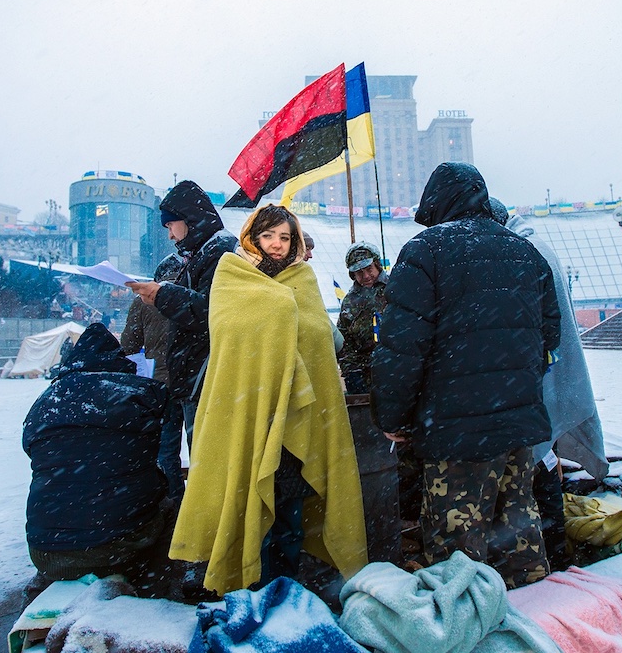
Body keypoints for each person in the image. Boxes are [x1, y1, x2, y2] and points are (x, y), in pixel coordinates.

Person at [370, 162, 561, 589]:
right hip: (517, 429)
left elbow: (401, 351)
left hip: (456, 434)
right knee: (520, 544)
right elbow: (549, 339)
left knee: (458, 561)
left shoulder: (426, 251)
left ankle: (464, 631)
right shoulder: (524, 252)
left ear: (436, 203)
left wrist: (394, 419)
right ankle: (531, 630)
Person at [169, 204, 367, 596]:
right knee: (245, 500)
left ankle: (285, 586)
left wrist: (290, 322)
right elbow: (228, 334)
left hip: (295, 417)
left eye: (285, 237)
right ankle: (247, 582)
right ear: (252, 238)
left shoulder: (303, 280)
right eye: (268, 236)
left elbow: (320, 339)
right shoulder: (232, 276)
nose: (277, 245)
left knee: (289, 508)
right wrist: (278, 312)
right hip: (250, 411)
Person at [490, 198, 608, 571]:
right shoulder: (532, 244)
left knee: (538, 465)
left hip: (538, 374)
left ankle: (554, 557)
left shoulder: (526, 250)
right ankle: (556, 554)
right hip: (545, 371)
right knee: (543, 459)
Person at [22, 323, 172, 598]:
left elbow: (31, 448)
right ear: (118, 360)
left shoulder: (45, 401)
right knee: (173, 507)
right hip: (120, 545)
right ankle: (155, 593)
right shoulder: (143, 393)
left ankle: (57, 579)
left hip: (45, 551)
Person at [128, 180, 237, 448]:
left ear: (188, 219)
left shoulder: (220, 251)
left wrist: (163, 295)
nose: (170, 235)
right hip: (196, 379)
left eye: (170, 226)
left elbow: (212, 311)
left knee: (208, 461)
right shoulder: (202, 252)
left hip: (207, 379)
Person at [121, 253, 186, 503]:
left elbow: (128, 344)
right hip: (194, 383)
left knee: (166, 451)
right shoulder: (192, 296)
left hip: (160, 386)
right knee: (201, 448)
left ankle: (174, 505)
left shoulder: (143, 301)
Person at [337, 242, 388, 395]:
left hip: (398, 367)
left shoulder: (396, 289)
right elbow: (344, 340)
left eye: (369, 269)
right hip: (365, 375)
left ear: (377, 265)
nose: (366, 276)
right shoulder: (350, 302)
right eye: (359, 272)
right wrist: (352, 372)